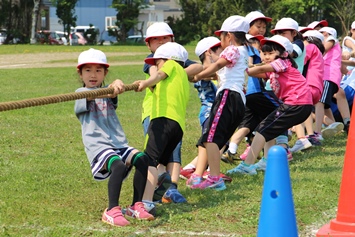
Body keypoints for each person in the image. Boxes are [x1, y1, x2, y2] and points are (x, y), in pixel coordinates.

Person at [74, 48, 154, 227]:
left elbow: (111, 94)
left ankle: (135, 206)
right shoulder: (80, 92)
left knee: (142, 159)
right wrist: (112, 88)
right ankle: (112, 210)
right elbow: (96, 94)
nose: (93, 75)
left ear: (105, 73)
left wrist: (117, 83)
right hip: (99, 146)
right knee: (117, 165)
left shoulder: (108, 91)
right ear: (80, 73)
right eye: (88, 70)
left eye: (98, 70)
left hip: (118, 143)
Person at [227, 35, 313, 175]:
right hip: (300, 104)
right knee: (268, 128)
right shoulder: (275, 69)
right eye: (264, 53)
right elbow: (258, 72)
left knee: (262, 128)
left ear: (284, 53)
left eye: (271, 53)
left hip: (296, 103)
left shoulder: (282, 63)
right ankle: (266, 162)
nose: (266, 56)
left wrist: (243, 69)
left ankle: (247, 166)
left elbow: (258, 70)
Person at [141, 22, 201, 206]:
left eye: (165, 38)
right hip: (154, 111)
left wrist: (176, 72)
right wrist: (175, 73)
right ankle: (160, 184)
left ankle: (169, 187)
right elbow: (155, 74)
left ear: (172, 40)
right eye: (155, 40)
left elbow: (198, 67)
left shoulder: (173, 60)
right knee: (157, 152)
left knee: (169, 152)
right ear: (149, 45)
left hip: (169, 115)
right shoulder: (153, 61)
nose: (161, 42)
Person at [189, 15, 249, 190]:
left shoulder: (232, 50)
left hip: (228, 95)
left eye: (221, 36)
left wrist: (198, 76)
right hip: (239, 100)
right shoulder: (245, 52)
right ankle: (205, 175)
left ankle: (214, 178)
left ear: (229, 36)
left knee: (211, 136)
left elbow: (216, 66)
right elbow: (219, 74)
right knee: (217, 138)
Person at [221, 11, 284, 163]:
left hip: (245, 94)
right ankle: (278, 149)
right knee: (280, 112)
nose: (261, 29)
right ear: (246, 28)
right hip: (254, 90)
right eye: (258, 26)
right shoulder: (248, 44)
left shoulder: (248, 44)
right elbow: (249, 64)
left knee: (248, 123)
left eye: (263, 27)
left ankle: (231, 149)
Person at [134, 42, 191, 203]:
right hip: (177, 127)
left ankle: (145, 202)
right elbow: (162, 89)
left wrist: (145, 83)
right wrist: (150, 86)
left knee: (149, 160)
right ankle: (160, 182)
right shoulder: (182, 76)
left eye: (158, 63)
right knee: (160, 160)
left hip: (162, 120)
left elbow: (158, 76)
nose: (157, 68)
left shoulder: (170, 65)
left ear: (166, 60)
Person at [183, 36, 232, 186]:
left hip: (218, 110)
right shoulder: (203, 71)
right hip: (209, 110)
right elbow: (209, 73)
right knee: (208, 140)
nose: (223, 54)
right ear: (209, 53)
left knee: (220, 140)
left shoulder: (216, 70)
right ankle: (199, 174)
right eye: (220, 51)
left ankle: (203, 170)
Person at [290, 30, 325, 152]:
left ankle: (302, 139)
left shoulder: (310, 47)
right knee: (306, 109)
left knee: (296, 107)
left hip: (309, 83)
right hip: (318, 87)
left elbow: (300, 60)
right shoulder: (320, 53)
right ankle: (310, 136)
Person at [314, 26, 344, 139]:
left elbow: (323, 49)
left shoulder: (331, 39)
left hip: (328, 76)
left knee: (319, 103)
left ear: (326, 33)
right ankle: (334, 126)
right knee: (325, 105)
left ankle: (317, 132)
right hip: (328, 77)